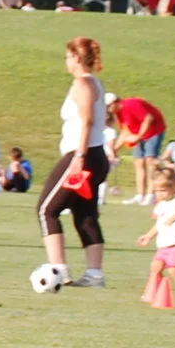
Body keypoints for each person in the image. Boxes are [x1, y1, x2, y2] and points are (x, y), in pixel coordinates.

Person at [38, 35, 110, 288]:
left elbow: (87, 121)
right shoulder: (94, 83)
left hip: (83, 155)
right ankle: (94, 275)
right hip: (94, 155)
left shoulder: (83, 83)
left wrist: (79, 157)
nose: (66, 61)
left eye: (68, 56)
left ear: (77, 58)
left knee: (47, 210)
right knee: (84, 214)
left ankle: (58, 270)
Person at [137, 169, 175, 304]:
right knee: (155, 267)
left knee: (174, 271)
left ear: (174, 189)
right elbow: (159, 225)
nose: (159, 194)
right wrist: (148, 236)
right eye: (157, 191)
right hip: (163, 245)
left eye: (163, 190)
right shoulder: (161, 205)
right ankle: (155, 292)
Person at [109, 91, 166, 204]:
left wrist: (139, 136)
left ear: (115, 103)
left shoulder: (131, 104)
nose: (108, 110)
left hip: (154, 131)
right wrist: (114, 150)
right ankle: (140, 195)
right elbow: (125, 131)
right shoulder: (119, 114)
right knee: (138, 162)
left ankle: (150, 195)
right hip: (139, 134)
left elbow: (148, 118)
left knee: (150, 161)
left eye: (108, 106)